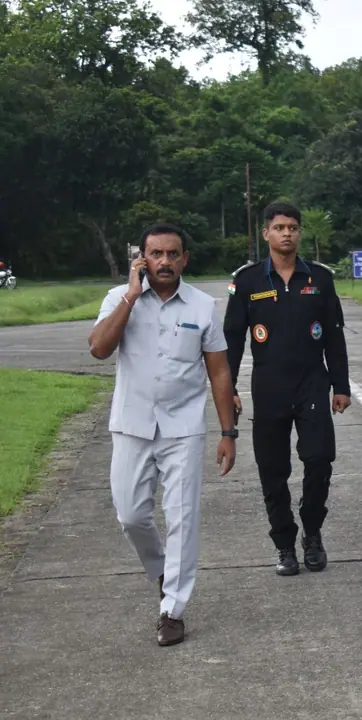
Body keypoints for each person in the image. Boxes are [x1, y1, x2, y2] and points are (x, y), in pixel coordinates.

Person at [88, 222, 238, 647]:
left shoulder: (202, 307)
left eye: (173, 254)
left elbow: (219, 370)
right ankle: (161, 571)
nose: (165, 262)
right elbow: (98, 348)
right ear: (142, 258)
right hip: (132, 424)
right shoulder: (119, 298)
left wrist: (228, 431)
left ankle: (172, 609)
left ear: (185, 259)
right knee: (131, 516)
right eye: (156, 254)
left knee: (182, 517)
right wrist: (132, 298)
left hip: (183, 427)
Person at [224, 202, 351, 576]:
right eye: (279, 227)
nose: (286, 233)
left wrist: (340, 385)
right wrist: (227, 388)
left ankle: (312, 534)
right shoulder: (248, 281)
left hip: (312, 383)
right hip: (269, 386)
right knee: (272, 471)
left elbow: (335, 336)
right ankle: (284, 545)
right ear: (266, 233)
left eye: (293, 227)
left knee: (318, 460)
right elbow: (232, 340)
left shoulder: (320, 279)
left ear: (300, 233)